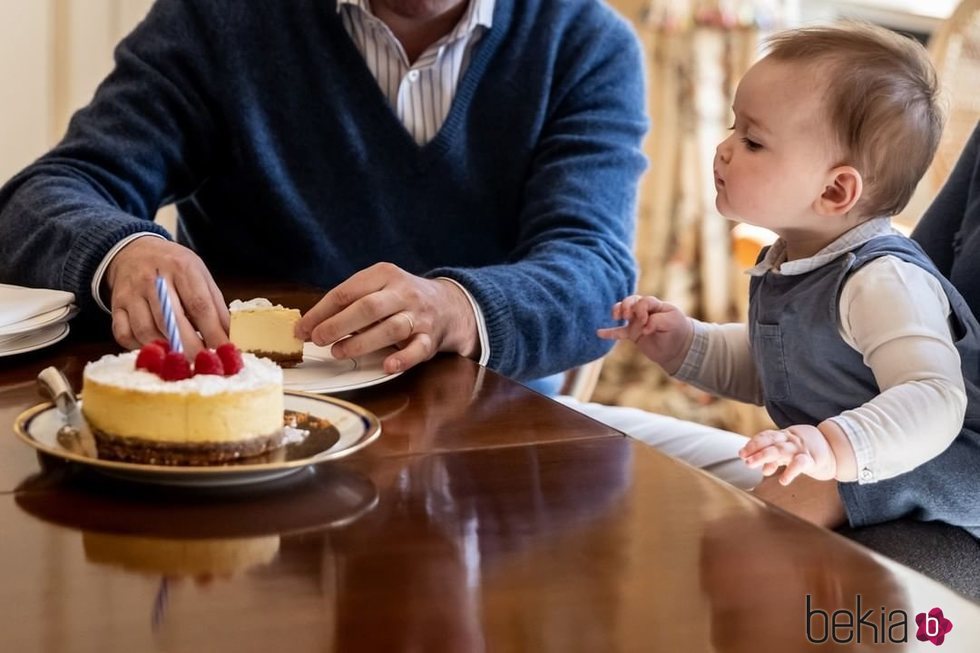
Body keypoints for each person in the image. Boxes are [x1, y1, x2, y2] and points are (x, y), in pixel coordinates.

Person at [0, 0, 646, 384]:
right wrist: (123, 251)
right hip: (254, 417)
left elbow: (596, 276)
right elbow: (45, 195)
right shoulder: (219, 19)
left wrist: (453, 306)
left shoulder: (587, 44)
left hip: (489, 436)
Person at [598, 24, 980, 536]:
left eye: (752, 141)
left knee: (766, 514)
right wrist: (688, 344)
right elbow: (781, 367)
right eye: (734, 128)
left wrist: (827, 448)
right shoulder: (800, 261)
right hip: (881, 451)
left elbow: (934, 398)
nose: (724, 149)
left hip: (956, 463)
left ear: (836, 190)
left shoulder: (882, 281)